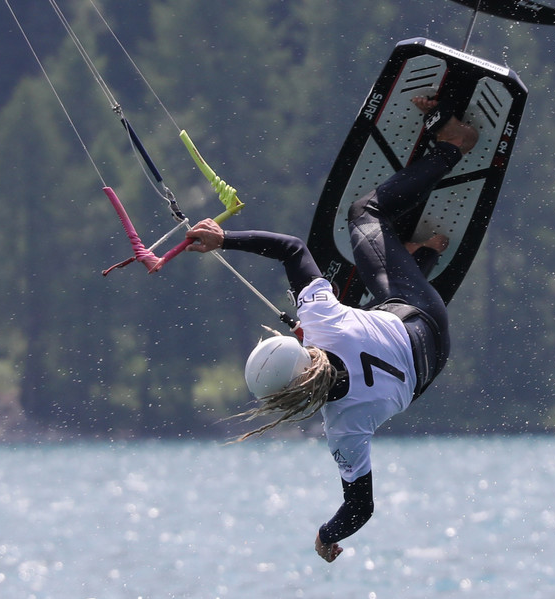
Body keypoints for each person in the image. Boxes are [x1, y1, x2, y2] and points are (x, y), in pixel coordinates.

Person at [186, 99, 478, 563]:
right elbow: (291, 249)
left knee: (370, 307)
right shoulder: (323, 320)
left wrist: (327, 534)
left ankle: (420, 255)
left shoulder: (343, 429)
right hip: (416, 311)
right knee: (364, 217)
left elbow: (360, 507)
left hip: (431, 360)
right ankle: (453, 145)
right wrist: (225, 240)